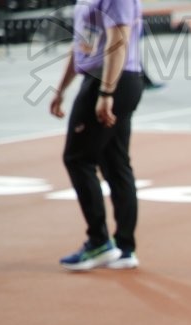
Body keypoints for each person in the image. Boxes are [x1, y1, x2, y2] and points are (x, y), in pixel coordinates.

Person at [51, 0, 144, 271]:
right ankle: (124, 248)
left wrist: (106, 93)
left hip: (110, 79)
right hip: (102, 78)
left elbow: (119, 38)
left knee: (77, 159)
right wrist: (61, 88)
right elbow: (82, 43)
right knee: (115, 164)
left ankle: (99, 242)